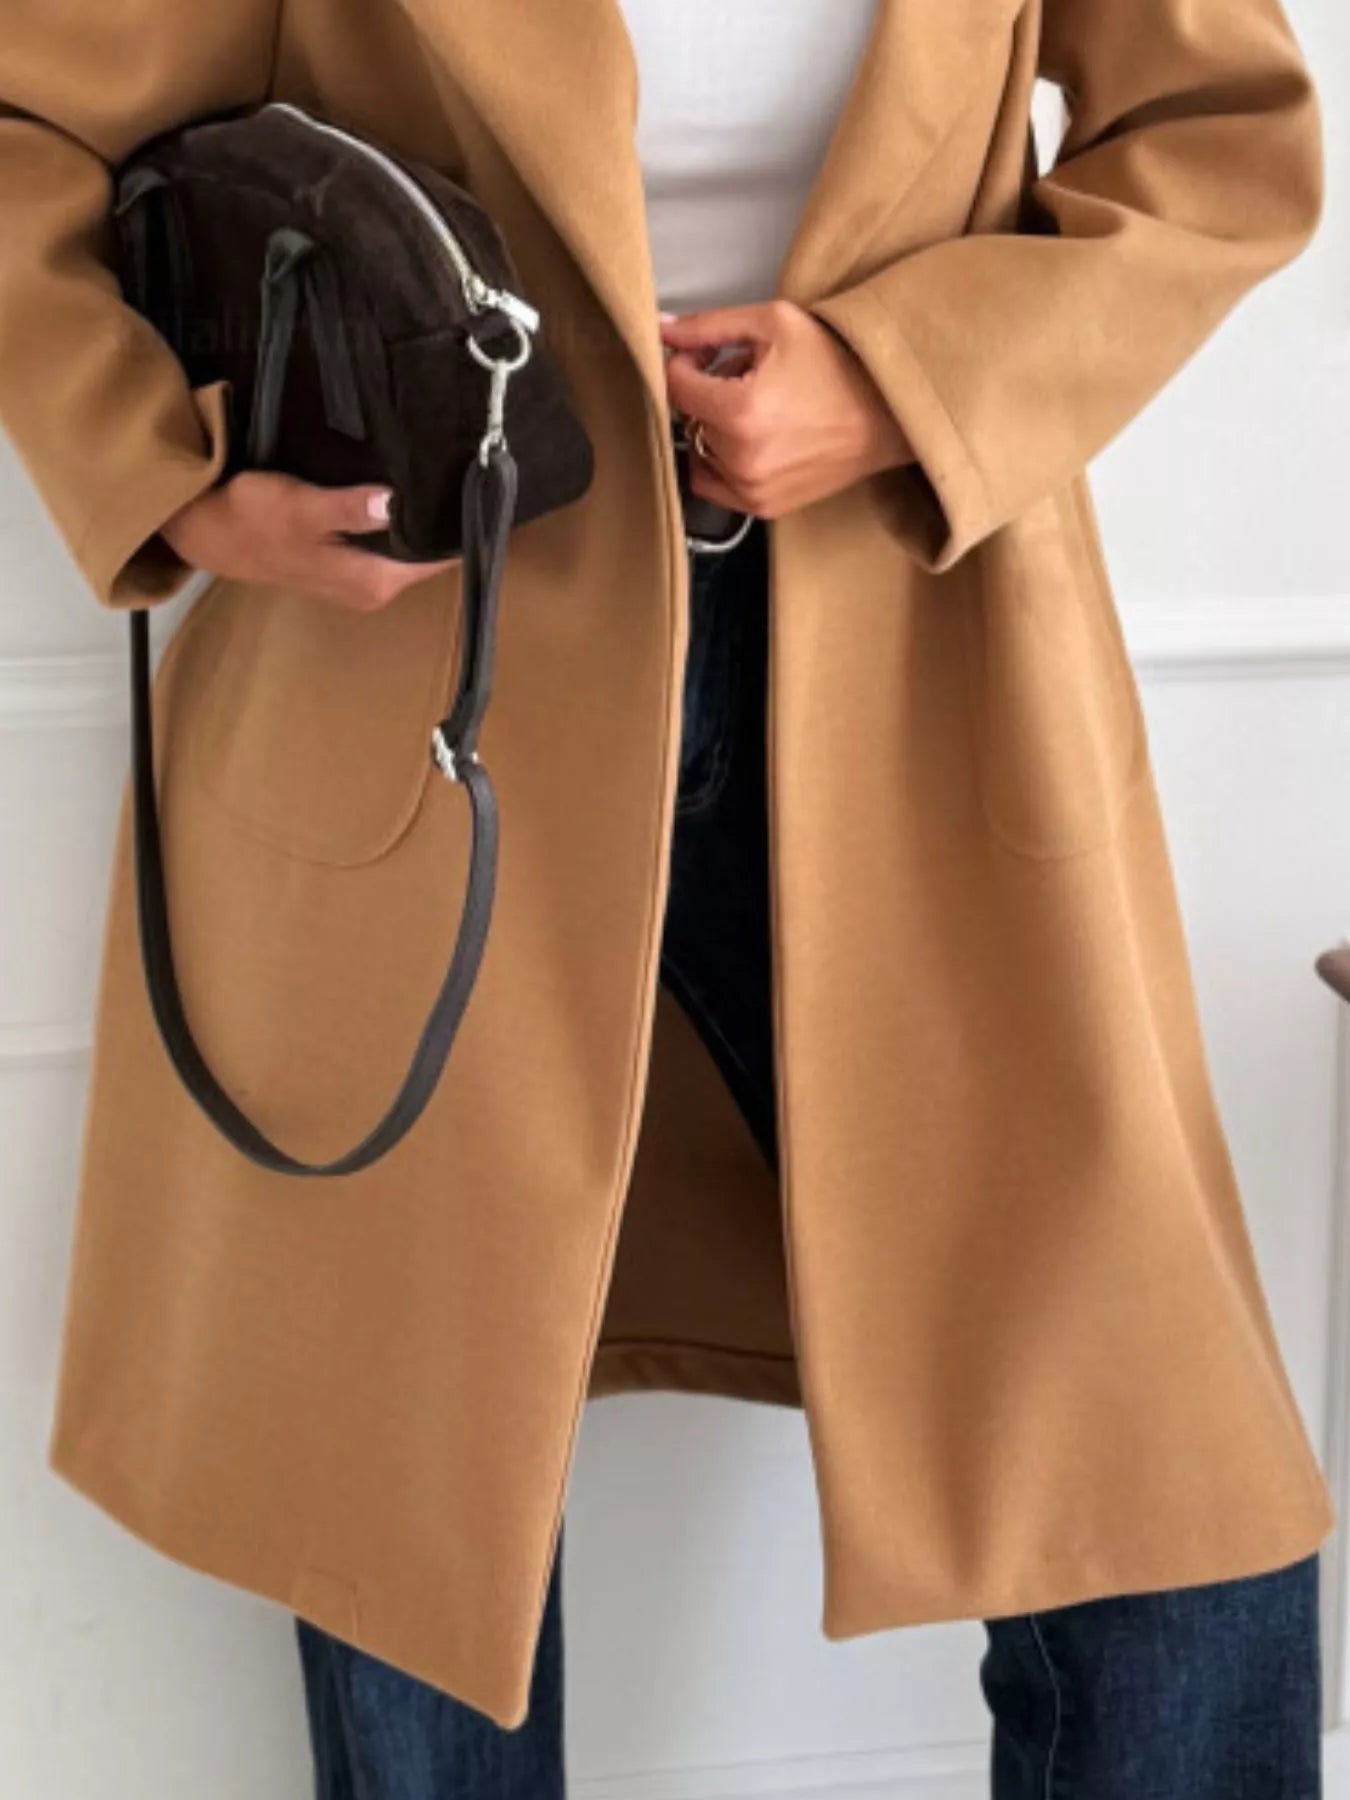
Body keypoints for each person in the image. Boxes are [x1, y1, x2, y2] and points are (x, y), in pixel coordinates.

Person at [0, 0, 1331, 1795]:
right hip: (427, 678)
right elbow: (25, 132)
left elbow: (1219, 138)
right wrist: (171, 470)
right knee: (414, 1500)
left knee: (1156, 1482)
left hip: (925, 682)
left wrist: (897, 377)